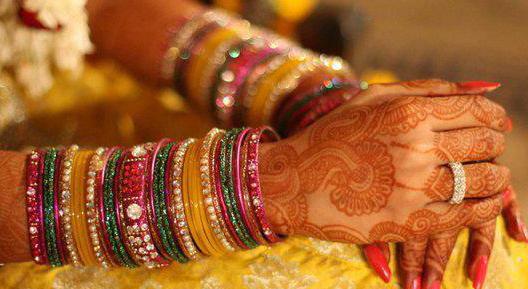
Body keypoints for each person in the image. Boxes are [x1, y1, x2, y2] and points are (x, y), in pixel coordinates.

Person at [0, 1, 526, 289]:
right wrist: (259, 187)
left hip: (42, 73)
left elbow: (99, 5)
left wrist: (315, 96)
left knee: (428, 213)